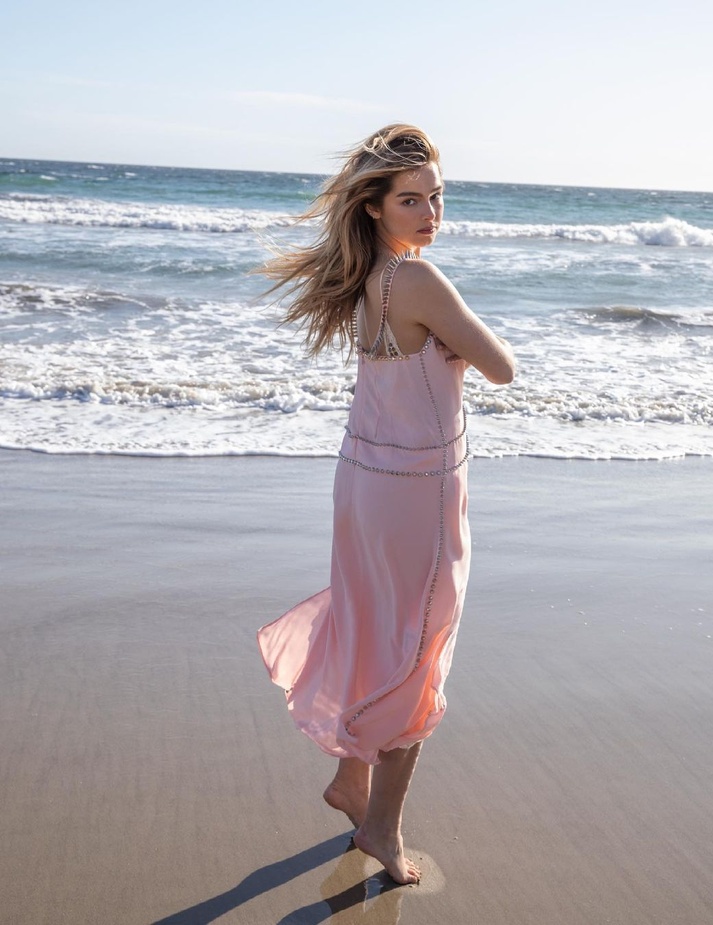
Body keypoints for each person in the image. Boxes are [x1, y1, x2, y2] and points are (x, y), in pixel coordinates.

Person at [257, 124, 515, 885]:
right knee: (417, 651)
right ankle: (382, 828)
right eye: (412, 200)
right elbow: (502, 366)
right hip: (418, 493)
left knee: (376, 629)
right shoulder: (418, 279)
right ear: (373, 206)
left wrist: (446, 346)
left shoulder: (368, 276)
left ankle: (352, 780)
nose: (431, 213)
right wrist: (458, 345)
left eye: (437, 196)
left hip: (365, 479)